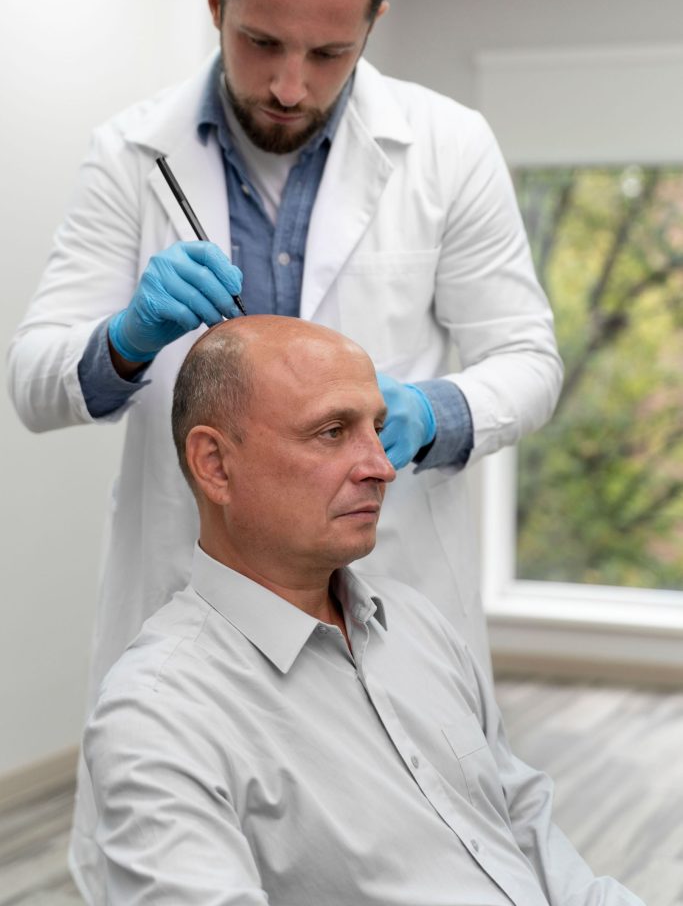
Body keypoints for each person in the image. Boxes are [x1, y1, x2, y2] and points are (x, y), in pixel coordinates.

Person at [8, 0, 562, 896]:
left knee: (417, 852)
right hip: (196, 604)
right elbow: (35, 380)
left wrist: (425, 413)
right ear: (214, 0)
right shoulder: (130, 155)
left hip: (382, 602)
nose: (289, 86)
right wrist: (124, 340)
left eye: (327, 55)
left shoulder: (446, 147)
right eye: (261, 42)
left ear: (371, 25)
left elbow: (527, 359)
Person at [84, 315, 641, 906]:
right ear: (216, 465)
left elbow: (525, 826)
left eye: (375, 428)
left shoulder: (418, 625)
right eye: (331, 431)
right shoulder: (159, 716)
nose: (382, 465)